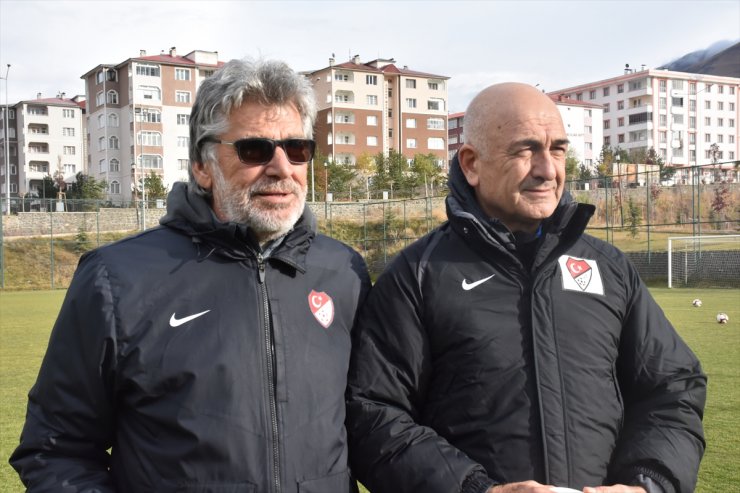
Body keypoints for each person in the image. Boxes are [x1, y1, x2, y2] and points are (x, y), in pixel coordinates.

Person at [11, 58, 370, 492]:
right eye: (254, 150)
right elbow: (55, 450)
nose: (282, 168)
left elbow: (375, 423)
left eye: (297, 149)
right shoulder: (117, 280)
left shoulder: (344, 273)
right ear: (203, 166)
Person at [346, 83, 706, 493]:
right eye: (525, 149)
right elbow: (374, 415)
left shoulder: (609, 269)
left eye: (557, 149)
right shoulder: (417, 275)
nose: (547, 169)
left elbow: (672, 388)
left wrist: (650, 484)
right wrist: (476, 489)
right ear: (471, 164)